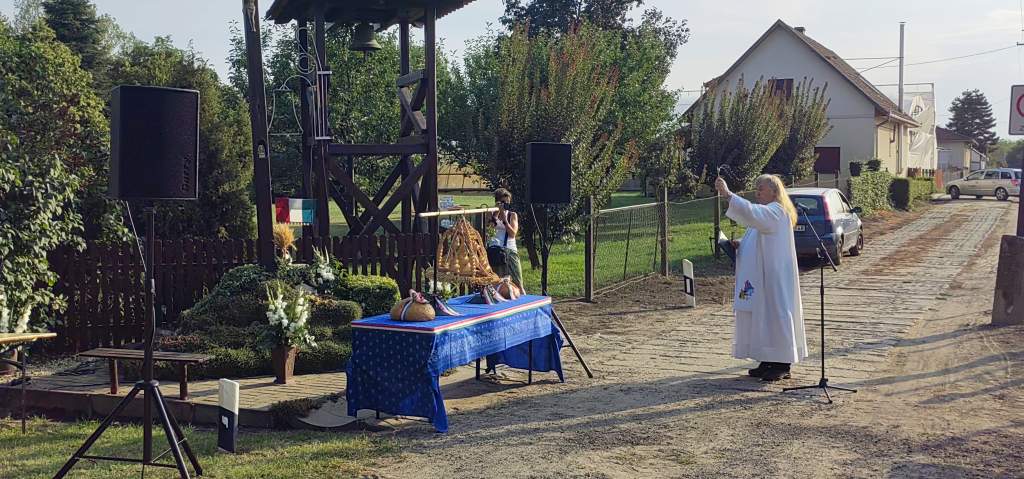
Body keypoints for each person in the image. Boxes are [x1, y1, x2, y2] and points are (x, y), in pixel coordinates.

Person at [715, 174, 807, 381]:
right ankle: (767, 358)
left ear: (774, 192)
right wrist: (740, 243)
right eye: (756, 188)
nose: (757, 192)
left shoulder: (776, 211)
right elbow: (756, 235)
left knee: (776, 314)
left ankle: (783, 363)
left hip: (773, 277)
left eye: (761, 189)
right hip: (761, 276)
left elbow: (751, 213)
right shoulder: (768, 213)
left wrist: (728, 194)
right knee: (763, 317)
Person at [488, 188, 525, 293]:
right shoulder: (490, 213)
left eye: (507, 203)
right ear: (497, 202)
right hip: (495, 250)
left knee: (518, 282)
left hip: (509, 250)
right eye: (503, 202)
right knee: (496, 283)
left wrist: (504, 219)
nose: (505, 205)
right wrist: (496, 214)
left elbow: (513, 234)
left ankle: (523, 303)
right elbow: (489, 229)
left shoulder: (512, 215)